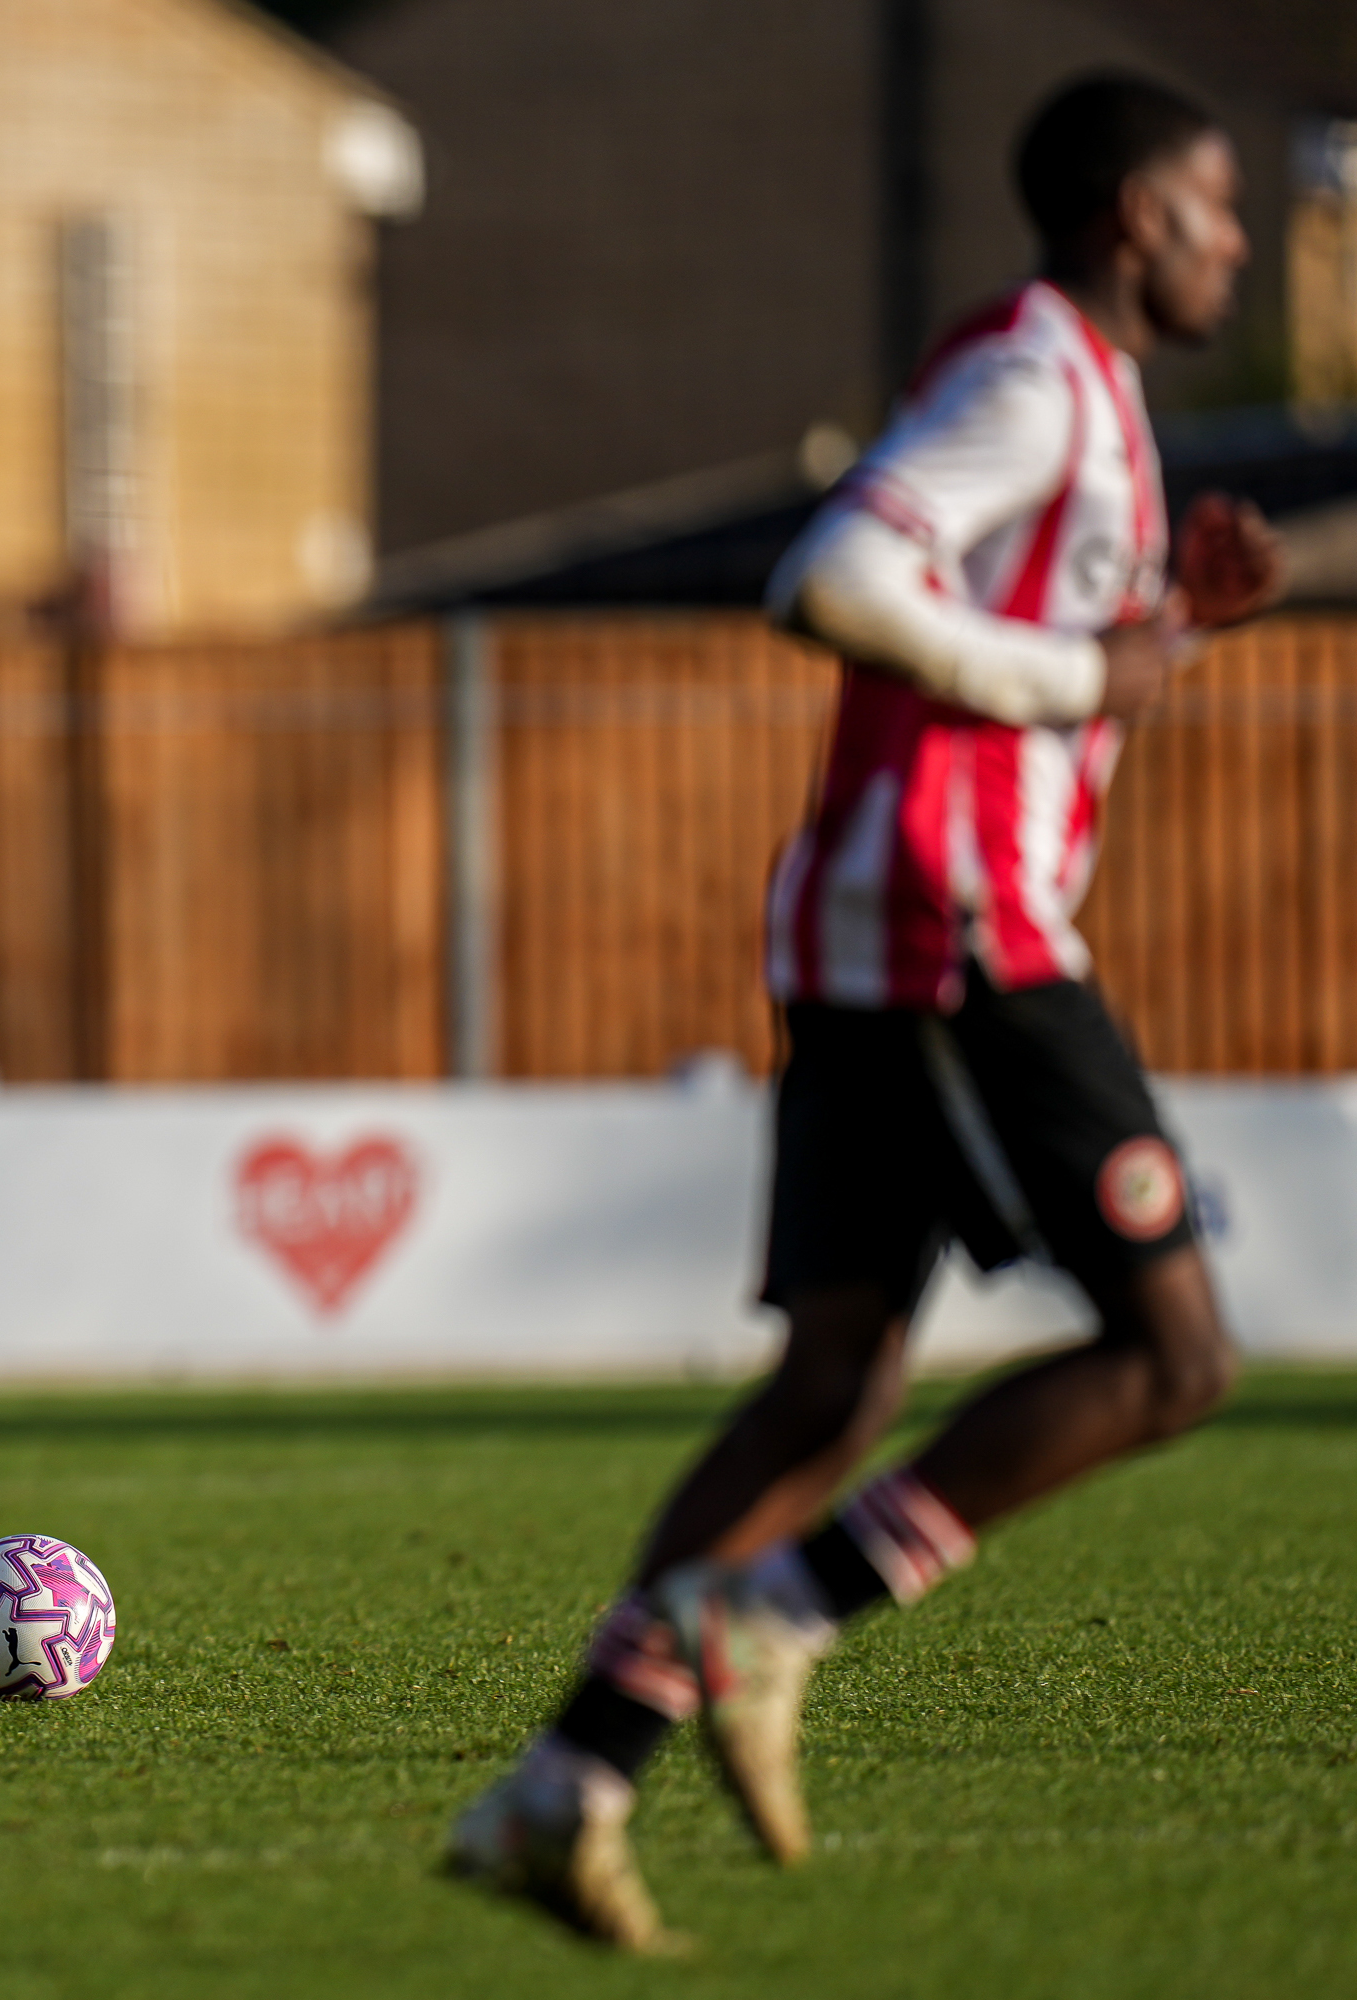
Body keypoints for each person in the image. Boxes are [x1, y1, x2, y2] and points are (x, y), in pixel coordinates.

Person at [448, 73, 1287, 1949]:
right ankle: (777, 1614)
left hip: (880, 919)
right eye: (1224, 207)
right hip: (957, 924)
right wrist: (1089, 666)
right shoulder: (1042, 376)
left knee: (836, 1384)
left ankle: (559, 1789)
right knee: (1176, 1360)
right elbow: (831, 576)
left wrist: (1158, 638)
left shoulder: (1080, 390)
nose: (1241, 241)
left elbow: (1030, 643)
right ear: (1141, 213)